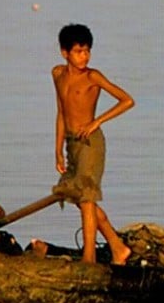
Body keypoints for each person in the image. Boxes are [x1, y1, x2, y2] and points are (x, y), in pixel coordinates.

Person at [52, 23, 134, 265]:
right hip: (71, 143)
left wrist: (96, 122)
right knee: (75, 196)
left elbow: (127, 100)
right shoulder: (57, 74)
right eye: (78, 51)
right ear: (65, 53)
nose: (84, 56)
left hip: (90, 143)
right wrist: (57, 149)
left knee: (87, 199)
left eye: (87, 51)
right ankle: (117, 246)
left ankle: (90, 258)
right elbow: (61, 112)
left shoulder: (93, 76)